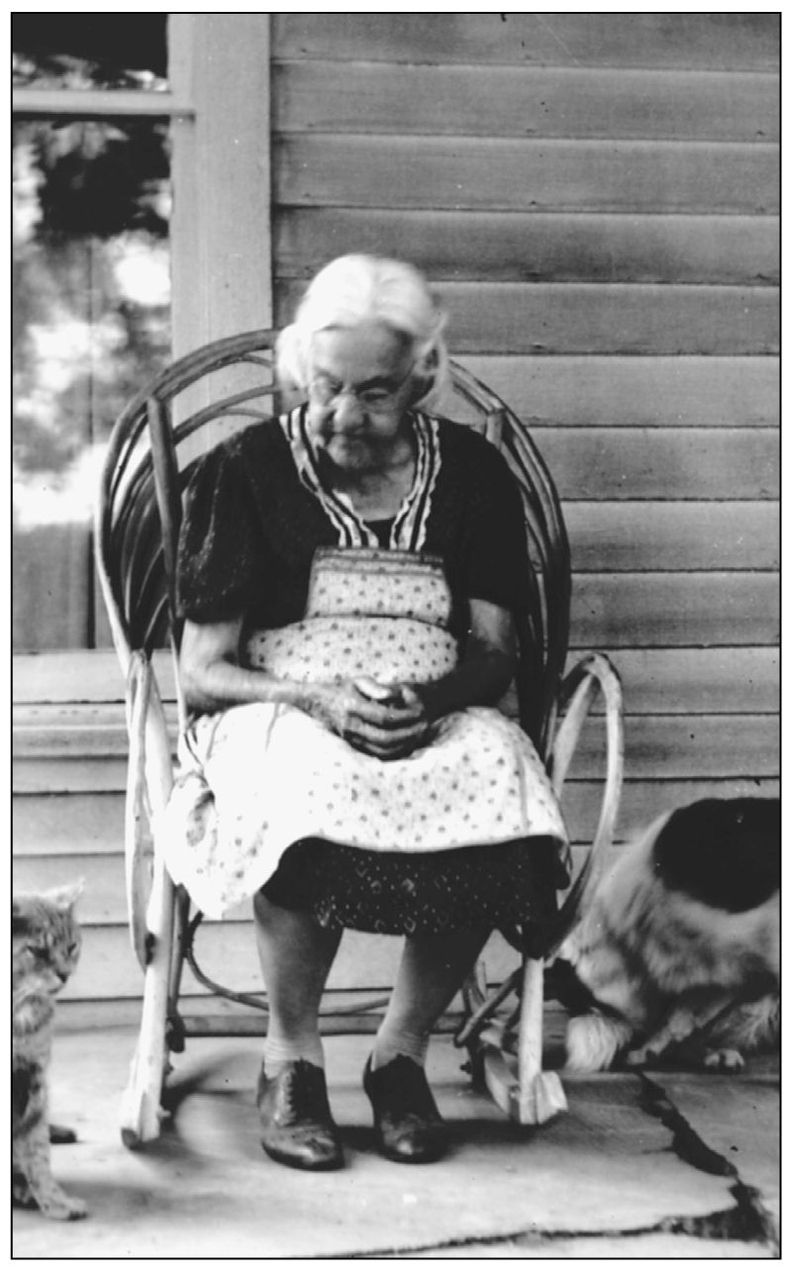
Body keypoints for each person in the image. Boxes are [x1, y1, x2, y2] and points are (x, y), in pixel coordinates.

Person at [163, 254, 569, 1172]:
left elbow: (497, 648)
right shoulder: (246, 470)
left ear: (423, 375)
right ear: (303, 368)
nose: (345, 414)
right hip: (280, 706)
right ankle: (292, 1060)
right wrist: (317, 699)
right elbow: (201, 671)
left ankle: (400, 1056)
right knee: (309, 777)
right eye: (327, 387)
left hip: (433, 703)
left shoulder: (471, 474)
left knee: (497, 768)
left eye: (376, 393)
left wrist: (429, 700)